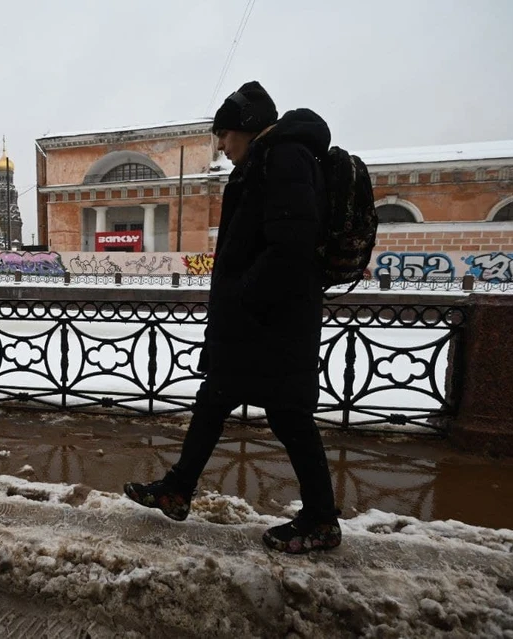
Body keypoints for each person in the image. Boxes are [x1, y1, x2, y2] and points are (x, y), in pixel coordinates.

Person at [124, 81, 341, 554]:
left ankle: (322, 520)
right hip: (261, 322)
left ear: (245, 128)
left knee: (290, 420)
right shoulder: (269, 160)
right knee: (216, 399)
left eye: (223, 134)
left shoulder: (284, 158)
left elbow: (291, 244)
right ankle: (178, 489)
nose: (221, 146)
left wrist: (244, 295)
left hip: (270, 323)